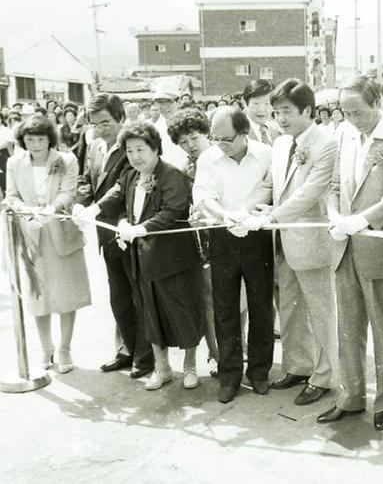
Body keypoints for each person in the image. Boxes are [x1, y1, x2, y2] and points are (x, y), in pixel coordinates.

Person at [317, 76, 383, 431]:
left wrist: (361, 219)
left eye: (357, 111)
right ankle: (350, 397)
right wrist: (334, 215)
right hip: (343, 244)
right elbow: (332, 185)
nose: (351, 118)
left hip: (379, 243)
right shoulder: (343, 135)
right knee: (348, 328)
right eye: (345, 112)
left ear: (379, 103)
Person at [90, 122, 207, 391]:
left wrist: (141, 228)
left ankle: (190, 366)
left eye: (140, 149)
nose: (135, 156)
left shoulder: (172, 175)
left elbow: (173, 211)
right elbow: (117, 194)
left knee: (183, 311)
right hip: (144, 259)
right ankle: (162, 367)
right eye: (129, 151)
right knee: (150, 314)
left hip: (175, 258)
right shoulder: (131, 175)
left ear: (155, 148)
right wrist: (99, 210)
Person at [244, 78, 338, 406]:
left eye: (286, 111)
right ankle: (299, 366)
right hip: (283, 240)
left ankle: (325, 375)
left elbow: (309, 193)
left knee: (321, 310)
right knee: (290, 308)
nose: (280, 118)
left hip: (312, 241)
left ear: (308, 111)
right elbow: (270, 184)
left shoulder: (326, 143)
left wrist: (271, 217)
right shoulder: (282, 144)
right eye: (276, 111)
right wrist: (241, 212)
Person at [193, 106, 275, 404]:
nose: (220, 144)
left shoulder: (266, 153)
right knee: (224, 307)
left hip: (257, 235)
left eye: (226, 139)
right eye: (215, 138)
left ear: (244, 133)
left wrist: (247, 215)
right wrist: (227, 216)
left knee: (261, 305)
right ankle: (229, 375)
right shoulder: (208, 158)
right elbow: (203, 196)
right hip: (223, 235)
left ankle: (260, 371)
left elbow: (271, 188)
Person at [3, 114, 91, 374]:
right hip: (31, 234)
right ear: (23, 140)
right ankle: (45, 348)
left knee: (66, 294)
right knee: (37, 295)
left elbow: (68, 191)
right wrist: (25, 209)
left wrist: (52, 207)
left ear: (50, 139)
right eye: (30, 139)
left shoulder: (67, 160)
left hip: (61, 233)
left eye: (41, 139)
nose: (36, 145)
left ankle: (64, 348)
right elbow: (11, 195)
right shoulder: (14, 163)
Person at [75, 94, 154, 378]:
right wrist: (81, 202)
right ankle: (125, 350)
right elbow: (87, 178)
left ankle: (144, 358)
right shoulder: (94, 145)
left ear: (121, 118)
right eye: (95, 124)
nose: (100, 128)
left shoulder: (131, 148)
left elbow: (121, 187)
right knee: (118, 296)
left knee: (138, 295)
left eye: (106, 122)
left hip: (128, 229)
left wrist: (97, 207)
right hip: (104, 232)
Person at [166, 108, 220, 378]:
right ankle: (216, 355)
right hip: (201, 241)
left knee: (238, 298)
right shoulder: (185, 170)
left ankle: (237, 347)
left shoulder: (222, 156)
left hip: (230, 232)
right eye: (183, 142)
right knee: (209, 297)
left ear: (206, 134)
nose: (190, 146)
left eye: (194, 138)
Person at [243, 79, 282, 145]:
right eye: (256, 103)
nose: (261, 109)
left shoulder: (278, 131)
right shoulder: (238, 132)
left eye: (267, 103)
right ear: (245, 104)